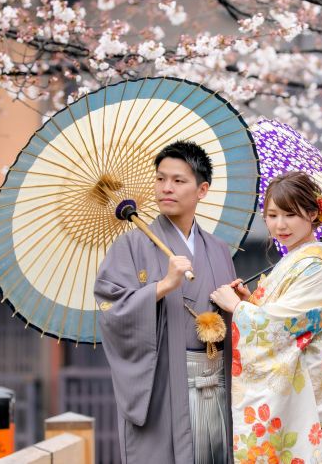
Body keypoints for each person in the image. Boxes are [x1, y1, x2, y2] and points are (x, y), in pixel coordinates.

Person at [95, 140, 235, 464]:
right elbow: (111, 311)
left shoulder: (218, 249)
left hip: (216, 381)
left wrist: (240, 302)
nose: (165, 188)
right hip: (162, 384)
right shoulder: (130, 246)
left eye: (178, 180)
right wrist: (162, 286)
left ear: (202, 190)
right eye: (160, 179)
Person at [211, 171, 322, 464]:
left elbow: (280, 327)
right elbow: (281, 317)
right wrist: (251, 301)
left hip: (304, 400)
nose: (279, 225)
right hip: (297, 397)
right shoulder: (295, 263)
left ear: (312, 214)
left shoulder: (316, 270)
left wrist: (238, 309)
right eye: (272, 215)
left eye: (290, 215)